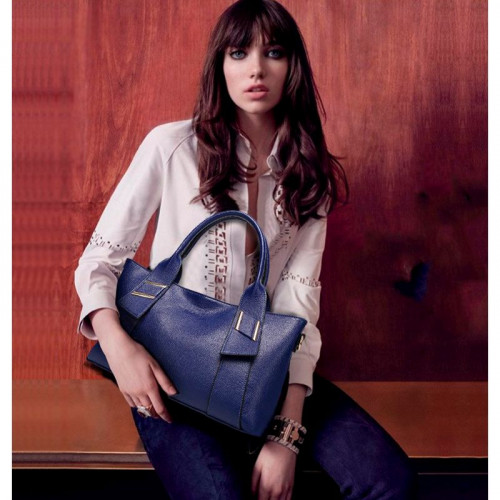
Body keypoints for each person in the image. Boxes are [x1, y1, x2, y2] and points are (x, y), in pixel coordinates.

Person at [74, 0, 418, 498]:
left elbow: (298, 305)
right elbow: (99, 261)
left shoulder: (309, 175)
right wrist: (119, 348)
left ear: (292, 67)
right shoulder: (172, 147)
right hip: (169, 375)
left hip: (264, 371)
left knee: (388, 480)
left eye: (273, 52)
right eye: (239, 53)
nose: (256, 68)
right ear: (220, 65)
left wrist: (287, 433)